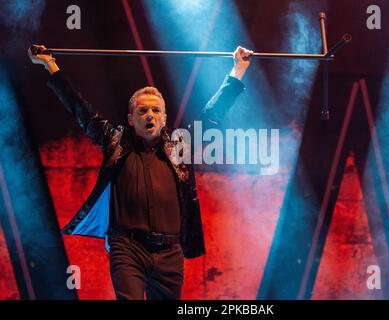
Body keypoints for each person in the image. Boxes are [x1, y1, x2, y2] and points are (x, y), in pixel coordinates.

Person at [28, 44, 252, 300]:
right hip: (127, 248)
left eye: (156, 110)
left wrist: (238, 69)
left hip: (169, 253)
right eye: (142, 110)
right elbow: (81, 110)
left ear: (164, 119)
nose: (150, 115)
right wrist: (50, 65)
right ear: (131, 118)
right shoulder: (115, 142)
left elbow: (212, 114)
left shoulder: (180, 145)